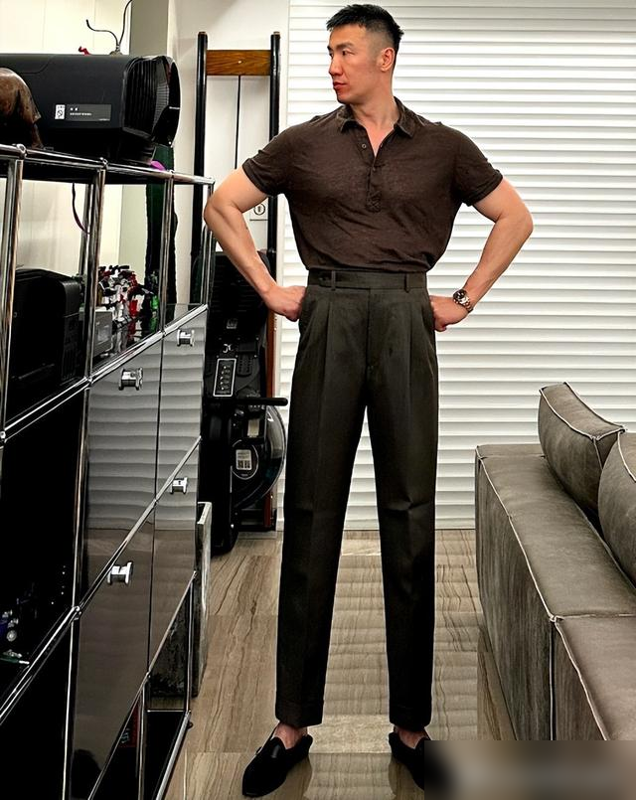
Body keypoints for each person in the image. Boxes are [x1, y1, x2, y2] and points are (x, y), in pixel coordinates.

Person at [204, 4, 533, 796]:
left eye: (346, 51)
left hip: (407, 318)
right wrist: (268, 288)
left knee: (410, 516)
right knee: (311, 510)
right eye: (328, 52)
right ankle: (291, 724)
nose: (333, 65)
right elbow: (222, 203)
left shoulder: (445, 147)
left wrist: (464, 297)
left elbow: (513, 218)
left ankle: (412, 728)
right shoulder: (303, 143)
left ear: (385, 58)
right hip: (328, 312)